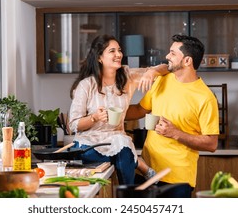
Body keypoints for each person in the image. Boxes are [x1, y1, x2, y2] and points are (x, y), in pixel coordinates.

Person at [126, 33, 219, 197]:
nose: (167, 56)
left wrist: (175, 133)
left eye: (173, 53)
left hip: (177, 179)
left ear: (187, 61)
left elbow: (211, 144)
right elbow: (140, 110)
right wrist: (108, 111)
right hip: (146, 171)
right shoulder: (163, 80)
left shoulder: (205, 97)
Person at [68, 34, 169, 185]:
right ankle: (140, 165)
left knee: (122, 145)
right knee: (124, 154)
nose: (118, 55)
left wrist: (151, 72)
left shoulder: (128, 76)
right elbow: (73, 125)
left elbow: (167, 67)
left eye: (119, 50)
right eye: (112, 51)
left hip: (118, 142)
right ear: (99, 58)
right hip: (90, 144)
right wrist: (94, 117)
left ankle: (126, 194)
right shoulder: (86, 85)